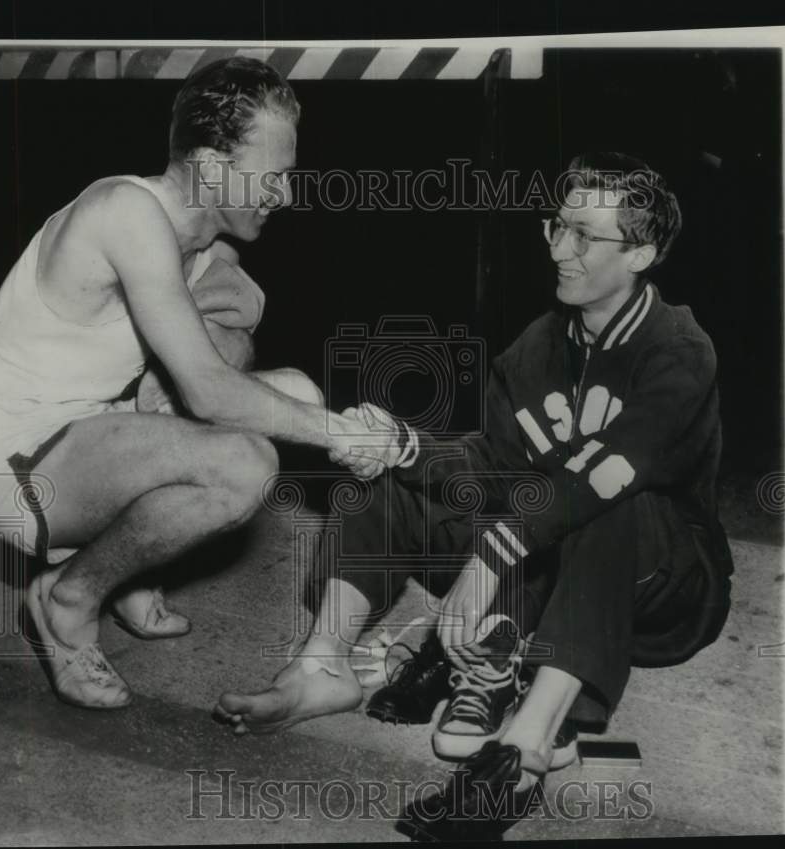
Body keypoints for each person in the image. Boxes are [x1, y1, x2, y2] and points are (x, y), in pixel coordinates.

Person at [215, 152, 734, 840]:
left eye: (585, 235)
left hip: (665, 583)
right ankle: (323, 665)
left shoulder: (679, 348)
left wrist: (493, 555)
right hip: (554, 567)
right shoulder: (538, 346)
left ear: (641, 251)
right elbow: (490, 463)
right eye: (556, 226)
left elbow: (608, 476)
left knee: (606, 500)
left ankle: (525, 750)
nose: (559, 248)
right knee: (383, 477)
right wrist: (403, 445)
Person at [0, 57, 398, 711]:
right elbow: (211, 392)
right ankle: (69, 597)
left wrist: (244, 341)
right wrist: (341, 433)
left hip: (93, 434)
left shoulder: (203, 248)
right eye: (272, 176)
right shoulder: (126, 211)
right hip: (18, 464)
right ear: (216, 168)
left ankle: (127, 562)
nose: (285, 194)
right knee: (243, 464)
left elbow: (226, 347)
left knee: (296, 389)